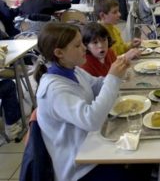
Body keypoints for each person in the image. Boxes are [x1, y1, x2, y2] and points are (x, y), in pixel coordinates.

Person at [34, 22, 151, 181]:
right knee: (141, 161)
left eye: (82, 42)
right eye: (77, 45)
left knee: (145, 154)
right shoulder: (54, 90)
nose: (84, 48)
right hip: (80, 167)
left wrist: (120, 72)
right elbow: (92, 120)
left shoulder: (72, 70)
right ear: (59, 52)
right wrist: (113, 77)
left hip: (91, 146)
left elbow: (97, 85)